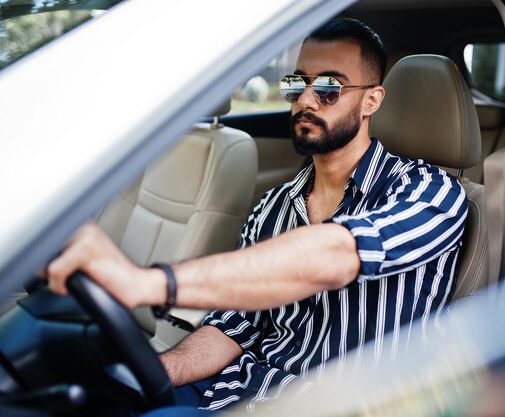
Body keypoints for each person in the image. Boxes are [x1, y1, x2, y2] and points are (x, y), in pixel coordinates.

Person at [47, 18, 468, 415]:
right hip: (236, 390)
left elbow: (335, 256)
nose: (305, 99)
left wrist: (147, 283)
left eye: (328, 87)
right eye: (296, 83)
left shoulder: (431, 194)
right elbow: (233, 325)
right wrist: (157, 372)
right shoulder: (273, 205)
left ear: (371, 100)